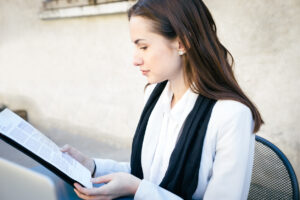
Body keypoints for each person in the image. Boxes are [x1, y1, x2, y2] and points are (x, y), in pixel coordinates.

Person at [61, 0, 264, 199]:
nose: (135, 59)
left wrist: (138, 189)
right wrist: (93, 166)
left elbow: (143, 185)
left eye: (144, 47)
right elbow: (150, 174)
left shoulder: (231, 115)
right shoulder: (156, 96)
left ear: (182, 43)